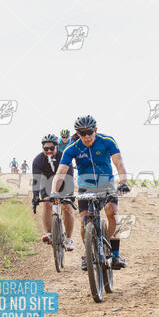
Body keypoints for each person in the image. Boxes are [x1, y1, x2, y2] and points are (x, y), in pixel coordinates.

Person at [50, 115, 130, 271]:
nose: (86, 136)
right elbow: (60, 172)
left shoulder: (107, 141)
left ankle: (115, 254)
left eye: (89, 132)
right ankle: (88, 255)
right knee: (85, 220)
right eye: (82, 133)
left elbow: (119, 162)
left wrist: (123, 182)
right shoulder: (72, 148)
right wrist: (54, 191)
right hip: (85, 188)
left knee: (112, 211)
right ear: (77, 134)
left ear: (96, 130)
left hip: (106, 185)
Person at [32, 134, 75, 249]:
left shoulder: (64, 157)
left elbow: (70, 177)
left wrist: (69, 196)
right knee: (46, 203)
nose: (49, 151)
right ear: (43, 149)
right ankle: (49, 233)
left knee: (67, 207)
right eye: (46, 149)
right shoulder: (38, 160)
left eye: (52, 148)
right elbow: (36, 180)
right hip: (46, 183)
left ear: (57, 147)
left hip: (65, 182)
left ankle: (69, 239)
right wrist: (35, 197)